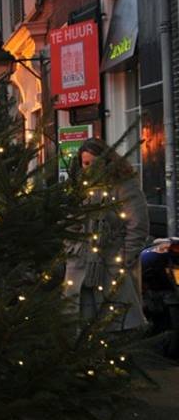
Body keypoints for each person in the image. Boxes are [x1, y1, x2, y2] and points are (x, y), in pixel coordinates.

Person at [64, 137, 149, 331]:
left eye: (94, 162)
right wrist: (72, 249)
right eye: (86, 163)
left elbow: (137, 224)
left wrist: (124, 257)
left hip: (111, 264)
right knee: (79, 323)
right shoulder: (80, 188)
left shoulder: (124, 186)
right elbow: (69, 223)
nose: (89, 168)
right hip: (80, 265)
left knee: (116, 322)